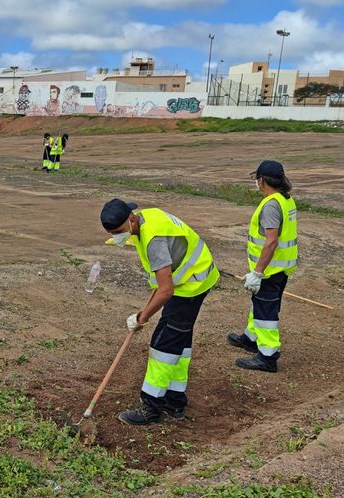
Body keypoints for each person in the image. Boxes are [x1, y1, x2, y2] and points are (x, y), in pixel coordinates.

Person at [100, 198, 219, 425]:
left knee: (163, 345)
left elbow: (165, 291)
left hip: (191, 285)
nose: (117, 237)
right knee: (180, 343)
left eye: (119, 231)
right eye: (112, 233)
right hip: (194, 278)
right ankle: (175, 402)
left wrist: (141, 318)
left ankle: (152, 408)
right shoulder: (147, 218)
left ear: (132, 219)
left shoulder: (154, 240)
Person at [227, 160, 298, 373]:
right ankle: (251, 338)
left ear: (262, 180)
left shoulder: (271, 206)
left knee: (265, 311)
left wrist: (257, 272)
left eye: (257, 179)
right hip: (279, 268)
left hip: (269, 270)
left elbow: (271, 241)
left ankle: (267, 357)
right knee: (259, 304)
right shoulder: (285, 199)